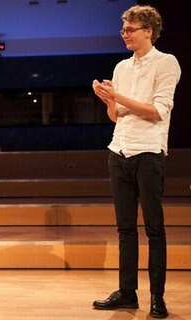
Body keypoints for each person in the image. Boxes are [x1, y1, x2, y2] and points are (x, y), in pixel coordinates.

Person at [91, 5, 181, 319]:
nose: (125, 34)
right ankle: (127, 292)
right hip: (120, 150)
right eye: (123, 29)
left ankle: (158, 297)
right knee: (125, 229)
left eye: (130, 28)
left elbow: (156, 111)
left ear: (148, 30)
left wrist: (121, 98)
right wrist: (109, 99)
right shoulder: (121, 68)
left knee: (154, 229)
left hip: (149, 152)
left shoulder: (167, 63)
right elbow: (115, 117)